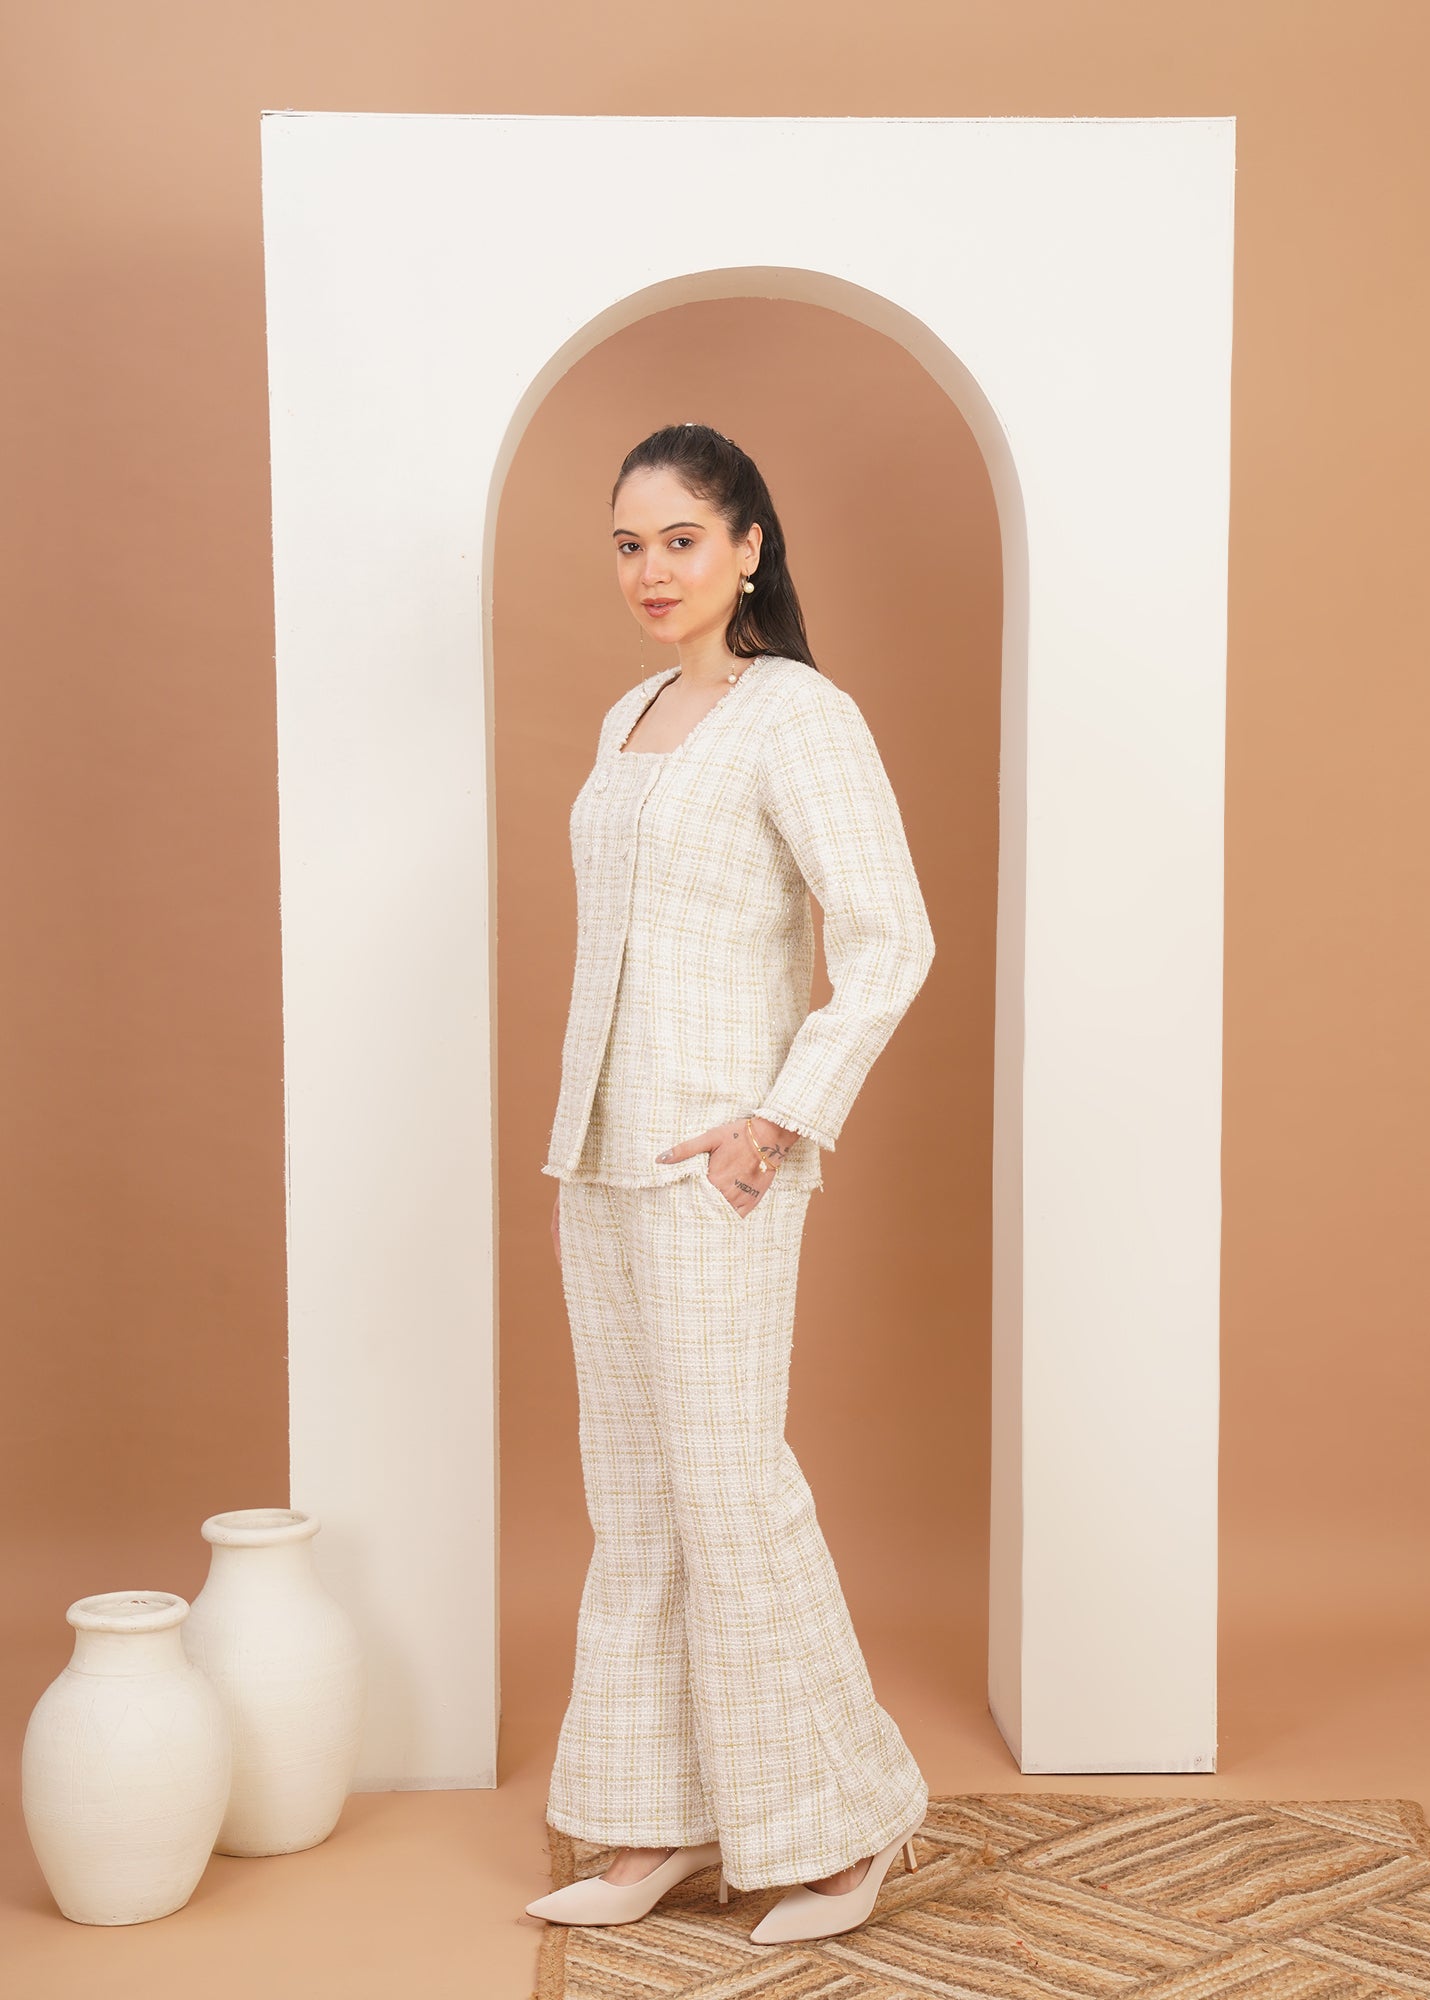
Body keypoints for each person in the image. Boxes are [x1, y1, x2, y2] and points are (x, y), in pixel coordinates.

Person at [526, 422, 935, 1946]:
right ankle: (656, 1820)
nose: (652, 570)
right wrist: (585, 1136)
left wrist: (779, 1120)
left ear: (749, 547)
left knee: (727, 1486)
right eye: (629, 545)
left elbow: (890, 937)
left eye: (682, 540)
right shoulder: (629, 713)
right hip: (599, 1156)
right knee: (635, 1500)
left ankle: (845, 1826)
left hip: (721, 1168)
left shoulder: (799, 716)